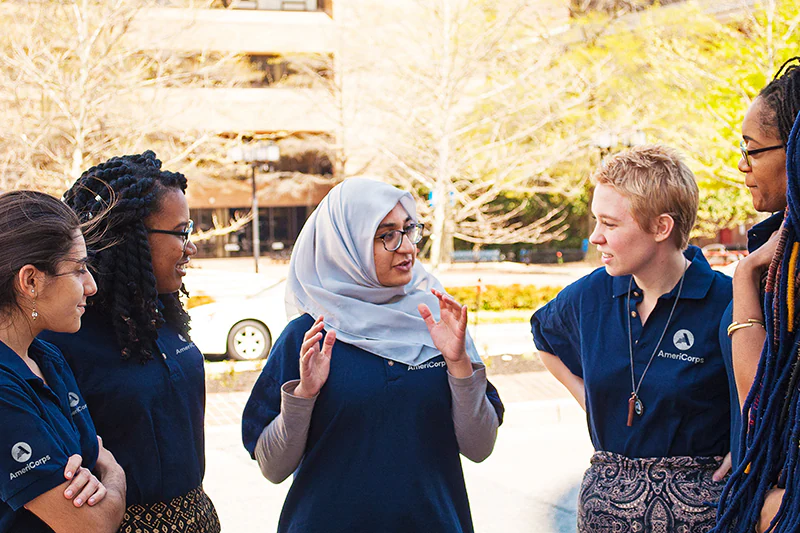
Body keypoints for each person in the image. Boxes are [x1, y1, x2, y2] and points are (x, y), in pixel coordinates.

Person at [241, 178, 504, 533]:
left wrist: (458, 364)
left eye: (409, 230)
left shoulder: (438, 322)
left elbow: (479, 447)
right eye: (387, 235)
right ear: (346, 246)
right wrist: (304, 395)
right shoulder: (309, 336)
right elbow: (273, 468)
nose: (407, 247)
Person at [530, 145, 733, 532]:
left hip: (702, 519)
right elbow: (544, 336)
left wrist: (747, 447)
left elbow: (769, 393)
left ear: (661, 227)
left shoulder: (729, 302)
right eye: (596, 221)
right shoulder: (590, 294)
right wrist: (589, 400)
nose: (594, 237)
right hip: (604, 517)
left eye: (609, 224)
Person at [40, 151, 220, 533]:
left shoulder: (164, 314)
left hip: (199, 516)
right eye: (181, 232)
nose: (192, 247)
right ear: (130, 237)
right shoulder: (63, 338)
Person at [0, 191, 126, 533]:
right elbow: (92, 525)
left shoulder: (47, 357)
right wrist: (114, 472)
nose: (91, 286)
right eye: (79, 270)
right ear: (30, 281)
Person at [714, 63, 800, 533]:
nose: (742, 165)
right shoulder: (779, 244)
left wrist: (743, 276)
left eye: (752, 150)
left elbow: (761, 398)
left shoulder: (777, 265)